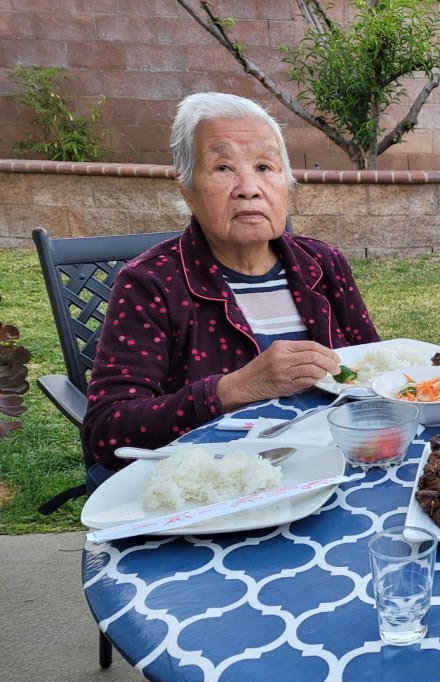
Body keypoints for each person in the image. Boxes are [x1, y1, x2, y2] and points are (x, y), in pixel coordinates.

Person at [82, 92, 379, 473]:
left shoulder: (323, 263)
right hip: (218, 484)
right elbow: (107, 432)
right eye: (223, 168)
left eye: (265, 167)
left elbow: (375, 374)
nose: (249, 187)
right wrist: (233, 389)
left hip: (336, 466)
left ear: (286, 184)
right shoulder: (150, 283)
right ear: (186, 188)